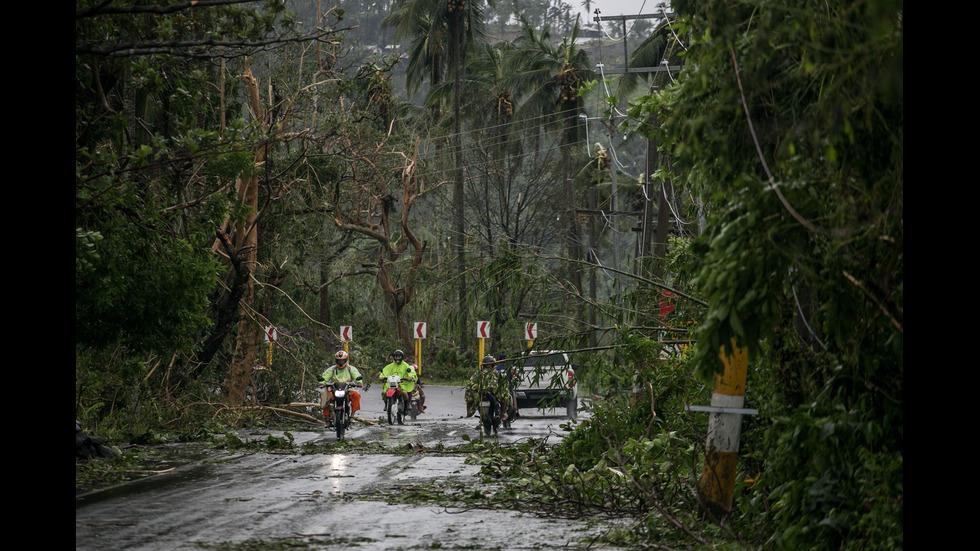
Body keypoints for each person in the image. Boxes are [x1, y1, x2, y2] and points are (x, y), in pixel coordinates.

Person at [319, 350, 363, 425]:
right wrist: (322, 383)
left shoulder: (350, 369)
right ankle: (327, 420)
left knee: (356, 395)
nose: (340, 362)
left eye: (342, 360)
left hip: (348, 391)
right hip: (334, 390)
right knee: (325, 397)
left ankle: (352, 416)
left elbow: (357, 375)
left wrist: (359, 382)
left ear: (345, 360)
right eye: (339, 360)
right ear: (336, 360)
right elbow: (324, 377)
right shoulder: (332, 369)